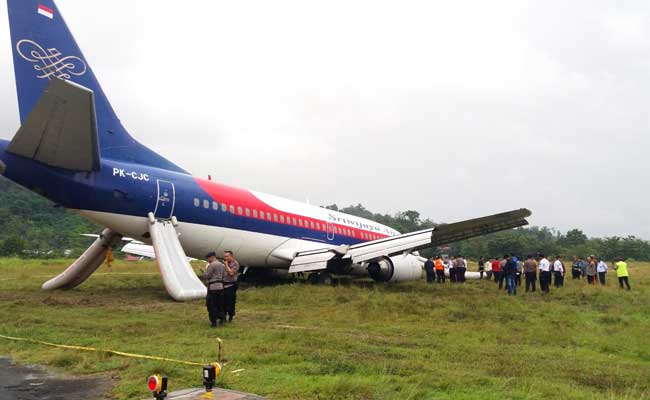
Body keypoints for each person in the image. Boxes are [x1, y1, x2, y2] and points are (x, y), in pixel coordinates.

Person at [200, 251, 226, 327]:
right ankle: (222, 319)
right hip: (221, 287)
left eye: (208, 258)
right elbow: (224, 275)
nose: (208, 260)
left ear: (212, 257)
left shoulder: (212, 265)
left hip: (213, 288)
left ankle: (213, 322)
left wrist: (203, 272)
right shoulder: (222, 265)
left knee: (212, 305)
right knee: (220, 304)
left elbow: (207, 276)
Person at [223, 250, 240, 322]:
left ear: (231, 256)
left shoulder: (235, 263)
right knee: (223, 302)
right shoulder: (224, 263)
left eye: (227, 256)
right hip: (223, 284)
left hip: (231, 285)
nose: (225, 258)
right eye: (224, 256)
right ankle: (223, 317)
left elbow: (231, 273)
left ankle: (230, 316)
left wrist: (226, 265)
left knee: (231, 302)